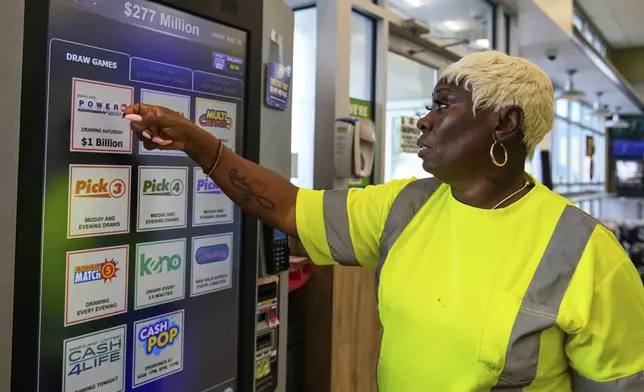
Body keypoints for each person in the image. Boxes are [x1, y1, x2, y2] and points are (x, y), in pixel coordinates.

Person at [123, 50, 644, 391]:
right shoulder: (406, 206)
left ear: (504, 123)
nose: (425, 119)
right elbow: (288, 207)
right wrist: (197, 142)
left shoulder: (587, 253)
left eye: (443, 105)